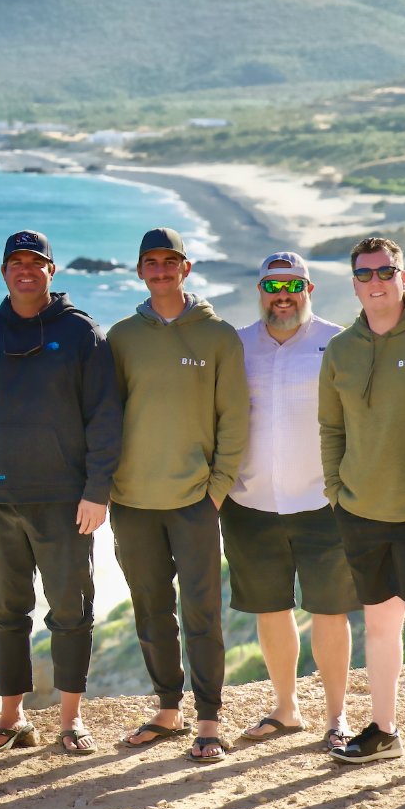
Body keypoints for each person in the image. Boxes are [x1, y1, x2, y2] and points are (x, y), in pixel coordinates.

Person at [0, 230, 119, 757]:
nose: (26, 270)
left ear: (51, 271)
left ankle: (71, 720)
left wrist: (97, 490)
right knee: (3, 610)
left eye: (36, 262)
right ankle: (12, 717)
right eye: (15, 262)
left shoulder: (81, 334)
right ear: (4, 272)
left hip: (66, 501)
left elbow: (106, 418)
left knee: (71, 610)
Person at [107, 228, 247, 764]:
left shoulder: (218, 336)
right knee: (150, 608)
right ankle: (168, 710)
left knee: (202, 610)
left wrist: (215, 491)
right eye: (151, 262)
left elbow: (235, 419)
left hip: (194, 500)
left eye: (171, 262)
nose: (161, 270)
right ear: (140, 270)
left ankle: (209, 719)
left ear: (185, 269)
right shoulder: (121, 337)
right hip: (132, 500)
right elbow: (106, 417)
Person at [318, 237, 405, 769]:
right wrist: (336, 490)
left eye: (385, 271)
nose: (375, 282)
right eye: (365, 274)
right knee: (378, 626)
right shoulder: (342, 349)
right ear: (353, 282)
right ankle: (383, 729)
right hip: (360, 511)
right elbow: (330, 426)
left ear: (403, 275)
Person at [223, 255, 357, 747]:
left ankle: (337, 717)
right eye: (273, 284)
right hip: (249, 502)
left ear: (309, 288)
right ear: (259, 289)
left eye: (293, 284)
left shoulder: (339, 342)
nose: (283, 294)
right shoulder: (235, 344)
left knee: (330, 610)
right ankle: (286, 709)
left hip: (323, 501)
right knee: (271, 609)